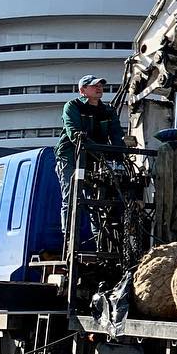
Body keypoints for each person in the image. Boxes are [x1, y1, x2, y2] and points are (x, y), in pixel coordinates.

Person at [55, 74, 125, 239]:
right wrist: (100, 150)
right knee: (71, 197)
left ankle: (100, 240)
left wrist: (119, 154)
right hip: (71, 157)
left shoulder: (108, 111)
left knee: (98, 200)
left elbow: (117, 135)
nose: (99, 88)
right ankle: (69, 239)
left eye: (100, 85)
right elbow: (74, 133)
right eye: (94, 85)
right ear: (82, 90)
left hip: (95, 159)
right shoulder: (73, 106)